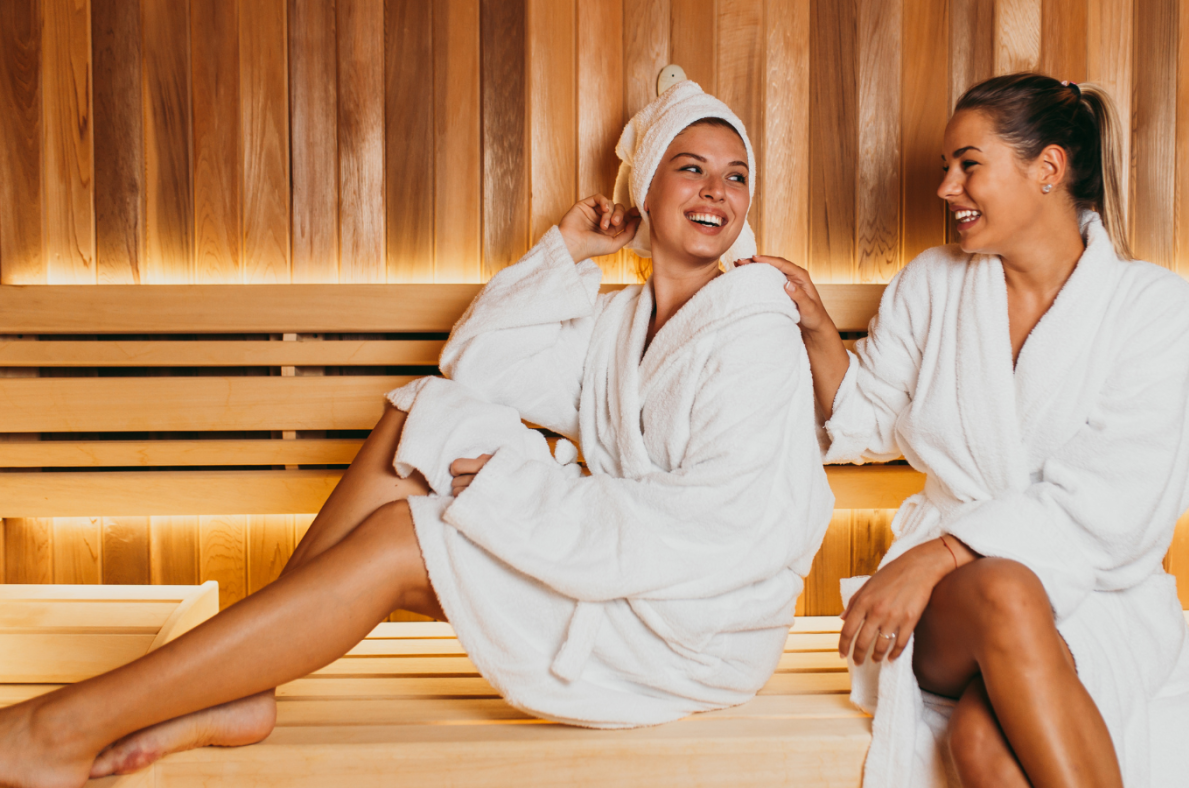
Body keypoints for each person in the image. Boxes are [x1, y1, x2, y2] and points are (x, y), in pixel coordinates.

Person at [0, 78, 833, 787]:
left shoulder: (752, 331)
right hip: (627, 576)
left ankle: (61, 729)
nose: (716, 192)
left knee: (404, 536)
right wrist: (569, 251)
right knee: (419, 414)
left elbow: (722, 528)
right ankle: (239, 688)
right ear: (646, 188)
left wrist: (512, 498)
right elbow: (479, 364)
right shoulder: (624, 322)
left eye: (735, 176)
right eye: (691, 168)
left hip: (691, 626)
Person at [743, 73, 1189, 787]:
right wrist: (816, 326)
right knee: (1004, 589)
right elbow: (868, 417)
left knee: (980, 743)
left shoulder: (1152, 309)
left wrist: (940, 552)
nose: (947, 188)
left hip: (1099, 601)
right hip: (955, 612)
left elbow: (1120, 504)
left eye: (969, 165)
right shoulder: (932, 284)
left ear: (1047, 168)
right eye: (946, 168)